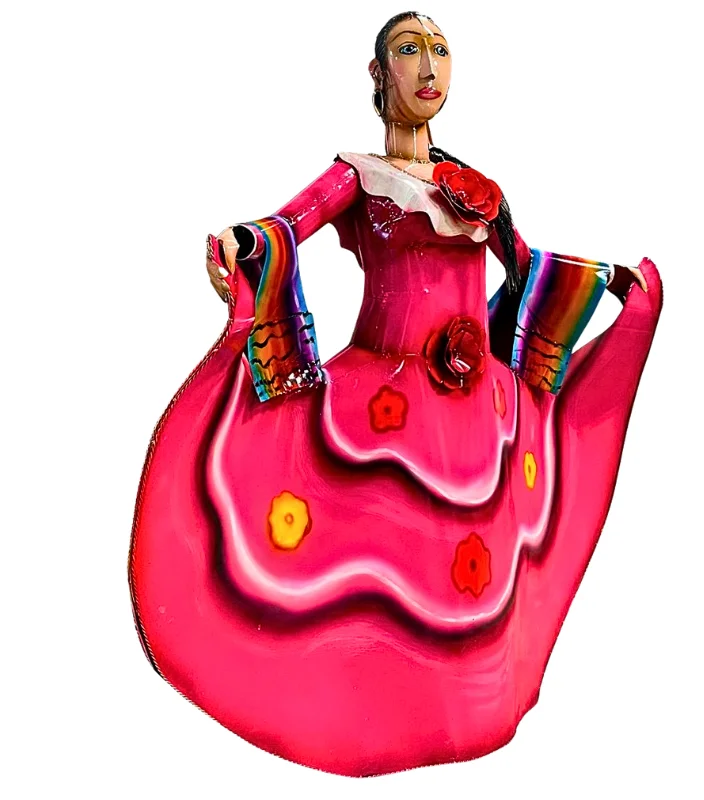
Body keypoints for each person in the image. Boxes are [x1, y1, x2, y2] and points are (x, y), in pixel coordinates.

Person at [129, 11, 662, 777]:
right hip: (386, 394)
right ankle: (363, 707)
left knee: (471, 559)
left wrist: (608, 281)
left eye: (440, 50)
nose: (429, 66)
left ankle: (467, 707)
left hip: (476, 408)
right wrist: (244, 245)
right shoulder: (357, 174)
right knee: (373, 552)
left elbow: (524, 263)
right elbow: (287, 225)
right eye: (410, 50)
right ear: (379, 74)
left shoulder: (474, 184)